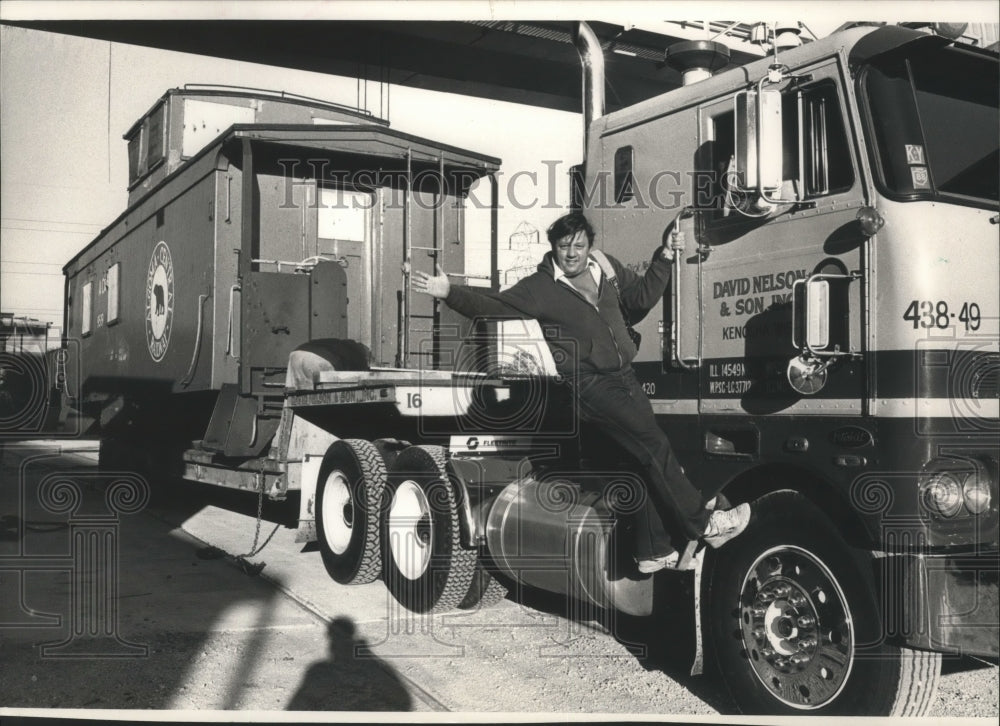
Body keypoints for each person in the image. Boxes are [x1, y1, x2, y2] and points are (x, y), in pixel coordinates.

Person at [412, 212, 750, 573]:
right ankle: (705, 525)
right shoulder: (540, 287)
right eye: (563, 246)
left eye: (579, 245)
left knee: (640, 457)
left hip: (624, 376)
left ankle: (652, 550)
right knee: (653, 445)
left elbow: (640, 299)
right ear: (553, 247)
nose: (571, 253)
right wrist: (449, 293)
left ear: (589, 244)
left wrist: (664, 256)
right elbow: (494, 306)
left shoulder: (605, 266)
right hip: (589, 384)